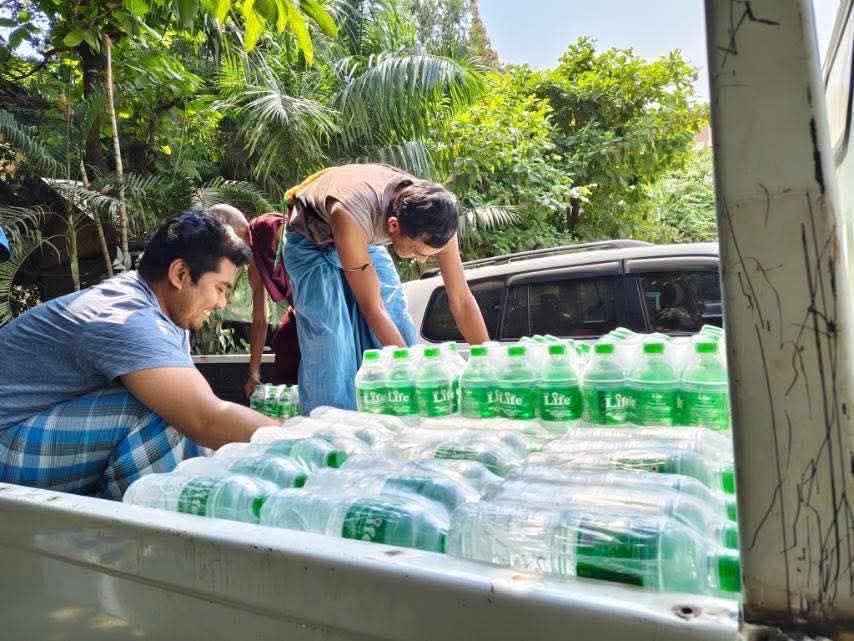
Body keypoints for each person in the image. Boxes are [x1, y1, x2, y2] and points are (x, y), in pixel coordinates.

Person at [0, 210, 273, 499]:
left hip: (35, 432)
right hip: (7, 438)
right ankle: (152, 525)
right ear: (180, 274)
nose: (222, 303)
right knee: (163, 414)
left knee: (176, 409)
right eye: (220, 289)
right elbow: (205, 419)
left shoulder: (162, 311)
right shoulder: (130, 318)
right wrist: (294, 437)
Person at [283, 163, 490, 413]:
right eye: (417, 251)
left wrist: (487, 363)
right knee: (332, 346)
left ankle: (396, 416)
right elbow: (372, 307)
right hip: (311, 240)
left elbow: (461, 299)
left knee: (398, 320)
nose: (422, 260)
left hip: (366, 239)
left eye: (429, 255)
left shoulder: (439, 219)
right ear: (393, 226)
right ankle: (329, 425)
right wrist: (413, 371)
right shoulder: (350, 214)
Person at [206, 205, 300, 398]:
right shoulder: (254, 265)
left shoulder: (266, 229)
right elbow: (260, 319)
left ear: (228, 231)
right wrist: (254, 373)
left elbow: (305, 249)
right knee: (284, 340)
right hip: (300, 311)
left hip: (321, 302)